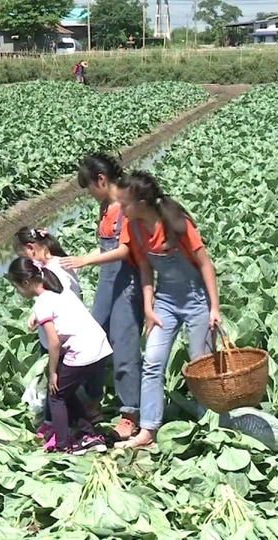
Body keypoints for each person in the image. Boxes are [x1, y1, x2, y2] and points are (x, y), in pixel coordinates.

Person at [110, 171, 221, 450]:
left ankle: (208, 426)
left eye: (125, 204)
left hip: (197, 300)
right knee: (153, 363)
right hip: (165, 302)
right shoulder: (134, 228)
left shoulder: (177, 225)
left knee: (200, 365)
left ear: (142, 203)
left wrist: (214, 309)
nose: (122, 210)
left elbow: (206, 265)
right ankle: (148, 430)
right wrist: (149, 307)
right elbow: (146, 268)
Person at [59, 153, 144, 441]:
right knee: (93, 337)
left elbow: (125, 251)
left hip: (127, 282)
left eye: (89, 188)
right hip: (108, 281)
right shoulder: (106, 207)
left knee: (124, 346)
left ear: (101, 180)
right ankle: (93, 399)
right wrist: (76, 259)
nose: (90, 195)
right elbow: (104, 248)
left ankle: (130, 414)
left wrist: (85, 261)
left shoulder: (127, 207)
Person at [7, 257, 110, 455]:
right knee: (66, 391)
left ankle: (64, 445)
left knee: (56, 395)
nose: (18, 292)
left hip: (83, 352)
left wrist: (53, 371)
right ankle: (88, 436)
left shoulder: (42, 303)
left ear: (26, 282)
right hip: (100, 347)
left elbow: (54, 342)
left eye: (17, 286)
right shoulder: (61, 293)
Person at [13, 226, 85, 446]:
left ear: (31, 248)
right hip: (56, 338)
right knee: (57, 386)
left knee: (58, 388)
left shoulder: (57, 269)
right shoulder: (49, 267)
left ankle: (62, 435)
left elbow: (62, 301)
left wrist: (40, 314)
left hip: (61, 340)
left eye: (22, 256)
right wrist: (36, 313)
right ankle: (61, 424)